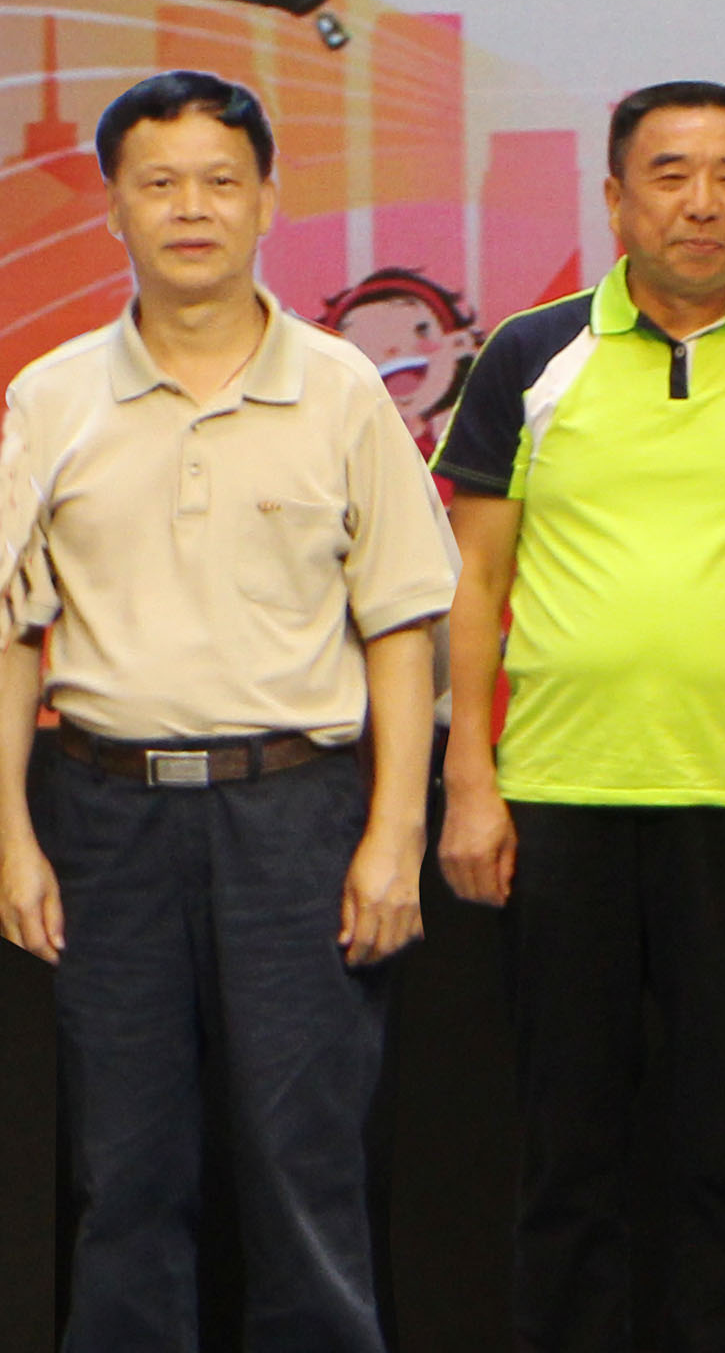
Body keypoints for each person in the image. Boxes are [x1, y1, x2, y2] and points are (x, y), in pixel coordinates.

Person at [436, 78, 725, 1353]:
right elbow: (472, 583)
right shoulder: (529, 354)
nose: (703, 203)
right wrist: (468, 782)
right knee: (564, 1151)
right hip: (557, 800)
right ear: (614, 198)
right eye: (671, 174)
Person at [0, 70, 457, 1353]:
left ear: (267, 201)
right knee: (124, 1171)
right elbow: (14, 633)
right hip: (104, 816)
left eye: (219, 182)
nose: (190, 209)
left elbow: (401, 624)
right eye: (158, 184)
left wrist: (395, 836)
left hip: (295, 816)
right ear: (113, 208)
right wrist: (12, 836)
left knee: (305, 1163)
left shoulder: (345, 389)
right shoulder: (51, 397)